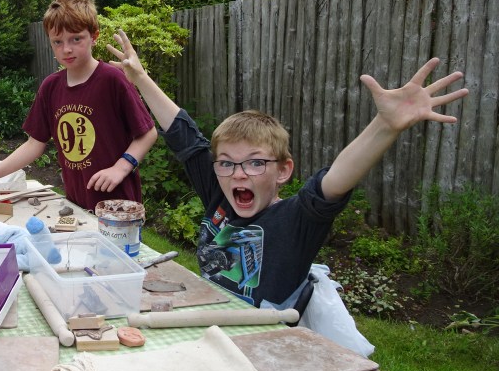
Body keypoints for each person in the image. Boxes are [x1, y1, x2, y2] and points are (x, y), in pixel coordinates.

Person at [107, 30, 469, 307]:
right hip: (210, 326)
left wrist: (385, 126)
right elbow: (185, 137)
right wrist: (139, 78)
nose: (239, 174)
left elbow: (335, 180)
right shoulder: (219, 193)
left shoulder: (297, 220)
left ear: (283, 171)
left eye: (255, 162)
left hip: (270, 350)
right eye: (227, 163)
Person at [0, 0, 158, 212]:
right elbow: (34, 144)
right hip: (76, 204)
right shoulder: (50, 87)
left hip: (118, 209)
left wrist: (121, 167)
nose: (66, 49)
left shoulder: (112, 80)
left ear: (94, 36)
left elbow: (148, 133)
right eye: (57, 42)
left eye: (76, 39)